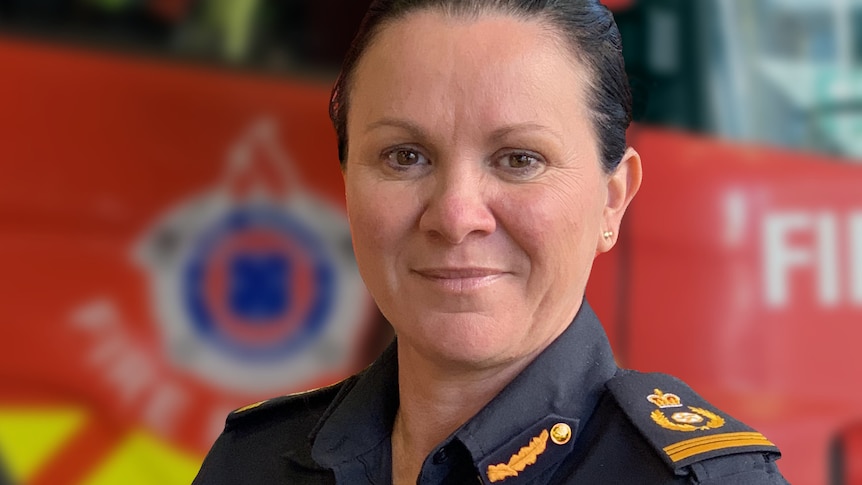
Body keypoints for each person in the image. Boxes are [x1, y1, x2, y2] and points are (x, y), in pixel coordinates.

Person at [192, 1, 789, 483]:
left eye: (519, 159)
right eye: (405, 156)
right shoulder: (250, 463)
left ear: (612, 199)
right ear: (347, 183)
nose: (455, 216)